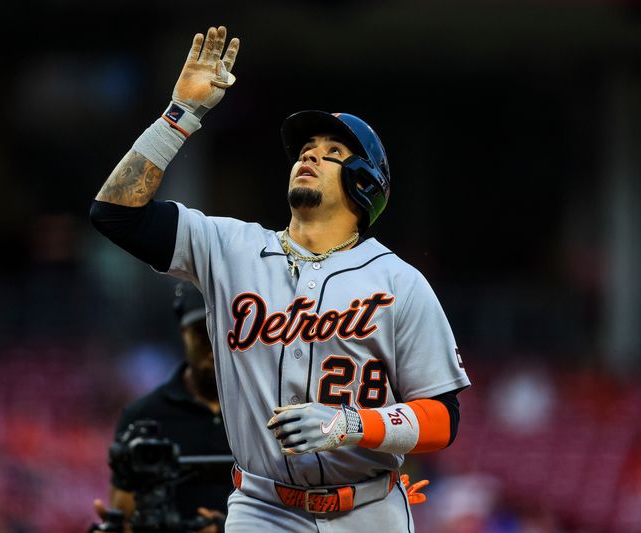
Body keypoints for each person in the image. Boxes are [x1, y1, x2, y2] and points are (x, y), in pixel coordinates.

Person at [90, 25, 470, 532]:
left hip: (369, 509)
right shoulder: (229, 248)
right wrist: (180, 115)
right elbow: (115, 214)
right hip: (261, 509)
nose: (309, 155)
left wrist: (352, 424)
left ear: (364, 183)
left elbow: (443, 421)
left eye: (331, 153)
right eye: (306, 148)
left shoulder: (400, 282)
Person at [93, 282, 231, 532]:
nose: (213, 345)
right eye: (202, 331)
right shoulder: (144, 417)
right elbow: (127, 516)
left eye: (223, 330)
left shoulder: (266, 410)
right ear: (183, 333)